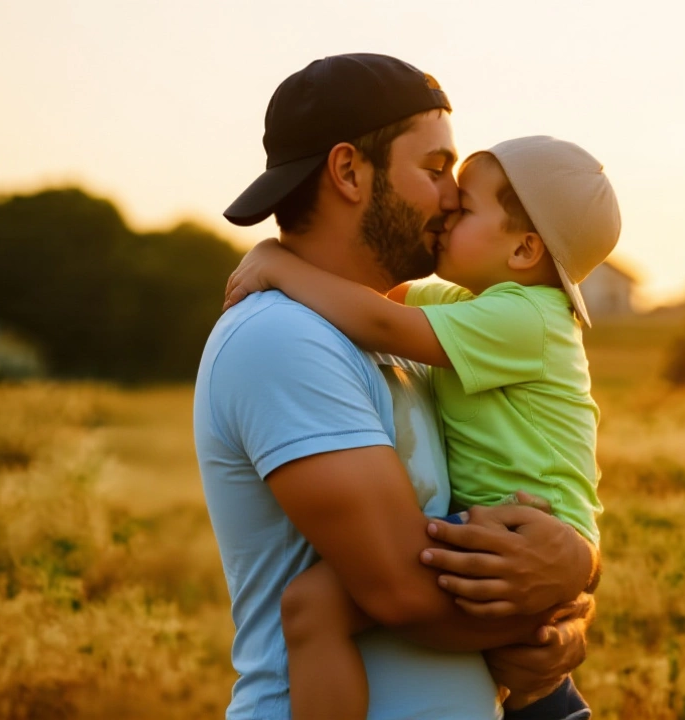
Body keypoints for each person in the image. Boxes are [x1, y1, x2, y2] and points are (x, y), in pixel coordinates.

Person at [193, 53, 598, 720]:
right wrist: (562, 591)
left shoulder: (412, 339)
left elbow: (491, 551)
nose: (450, 197)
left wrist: (571, 577)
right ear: (350, 171)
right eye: (436, 170)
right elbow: (404, 594)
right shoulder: (283, 337)